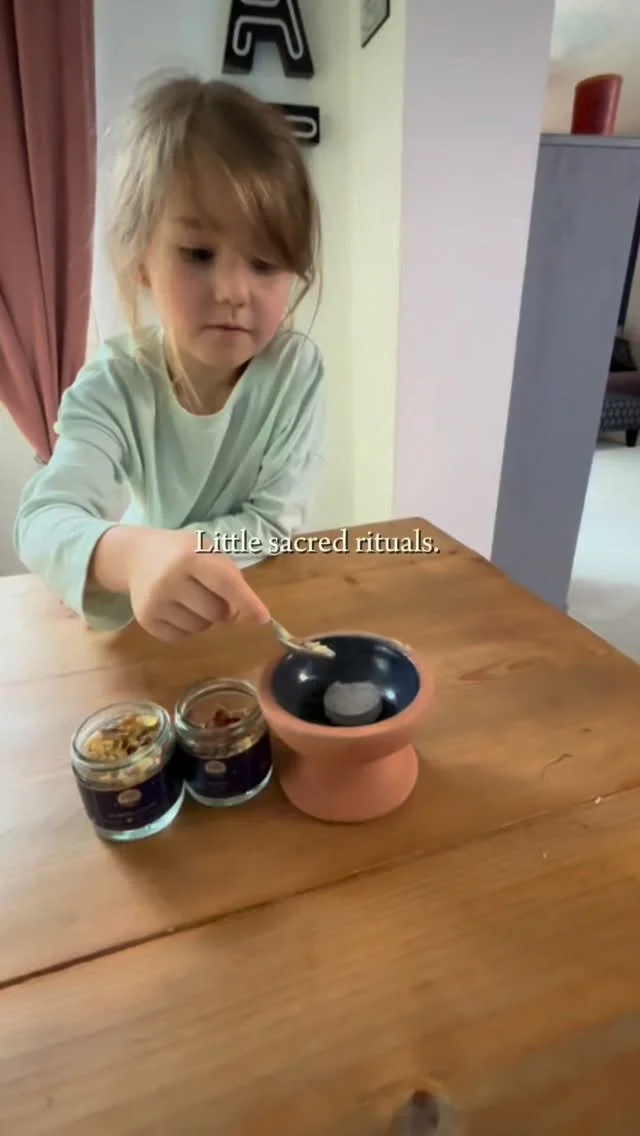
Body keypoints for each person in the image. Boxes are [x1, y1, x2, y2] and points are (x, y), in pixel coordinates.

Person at [13, 73, 326, 642]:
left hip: (252, 611)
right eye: (198, 254)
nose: (232, 290)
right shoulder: (115, 382)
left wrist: (181, 551)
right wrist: (129, 557)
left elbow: (271, 523)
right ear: (142, 262)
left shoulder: (295, 372)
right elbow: (41, 519)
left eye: (264, 263)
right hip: (143, 623)